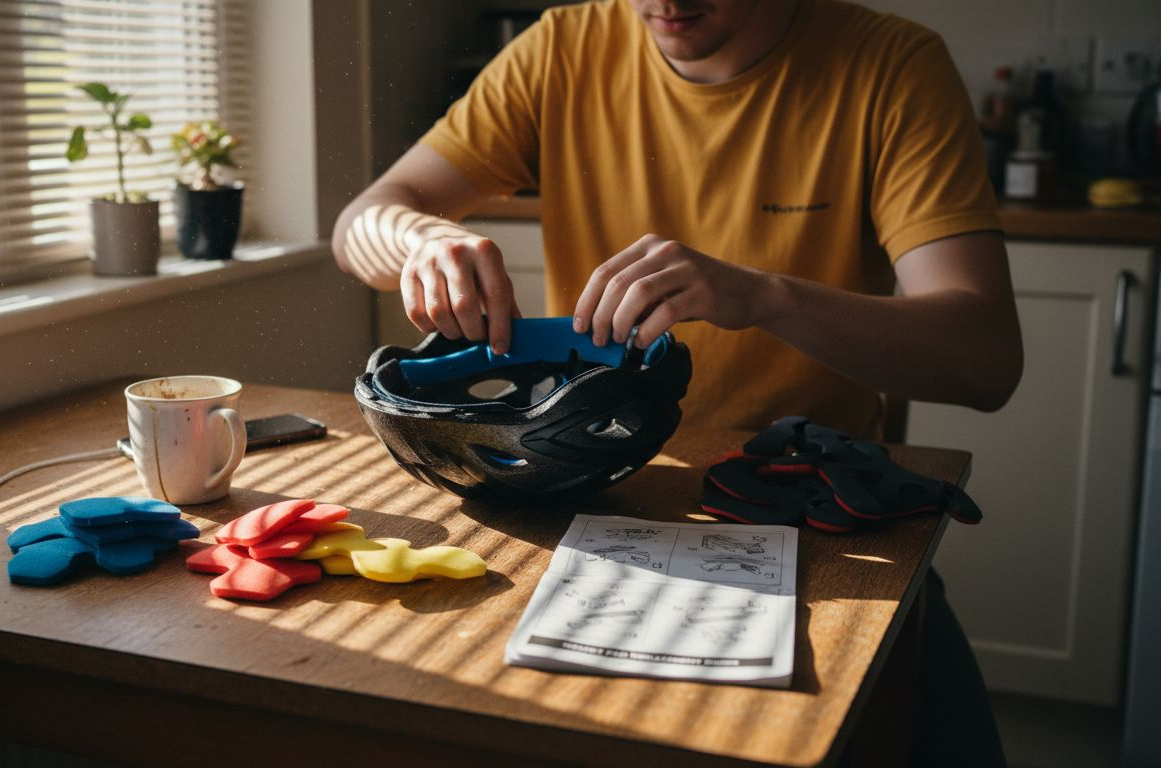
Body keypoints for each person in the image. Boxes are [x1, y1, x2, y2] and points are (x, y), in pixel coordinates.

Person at [333, 1, 1016, 763]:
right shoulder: (561, 48)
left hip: (807, 513)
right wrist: (417, 236)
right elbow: (362, 222)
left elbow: (984, 359)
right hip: (585, 503)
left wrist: (767, 296)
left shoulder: (890, 65)